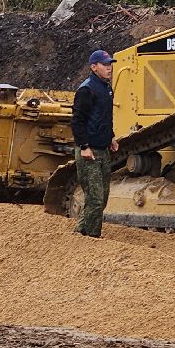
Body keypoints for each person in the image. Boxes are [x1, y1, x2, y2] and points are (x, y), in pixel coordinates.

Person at [70, 49, 118, 237]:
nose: (109, 68)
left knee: (102, 198)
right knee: (95, 199)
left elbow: (105, 117)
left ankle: (89, 235)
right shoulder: (87, 89)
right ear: (93, 67)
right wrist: (83, 146)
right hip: (89, 151)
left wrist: (111, 137)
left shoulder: (106, 88)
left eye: (110, 64)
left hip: (103, 149)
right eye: (105, 65)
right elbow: (77, 120)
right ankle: (85, 235)